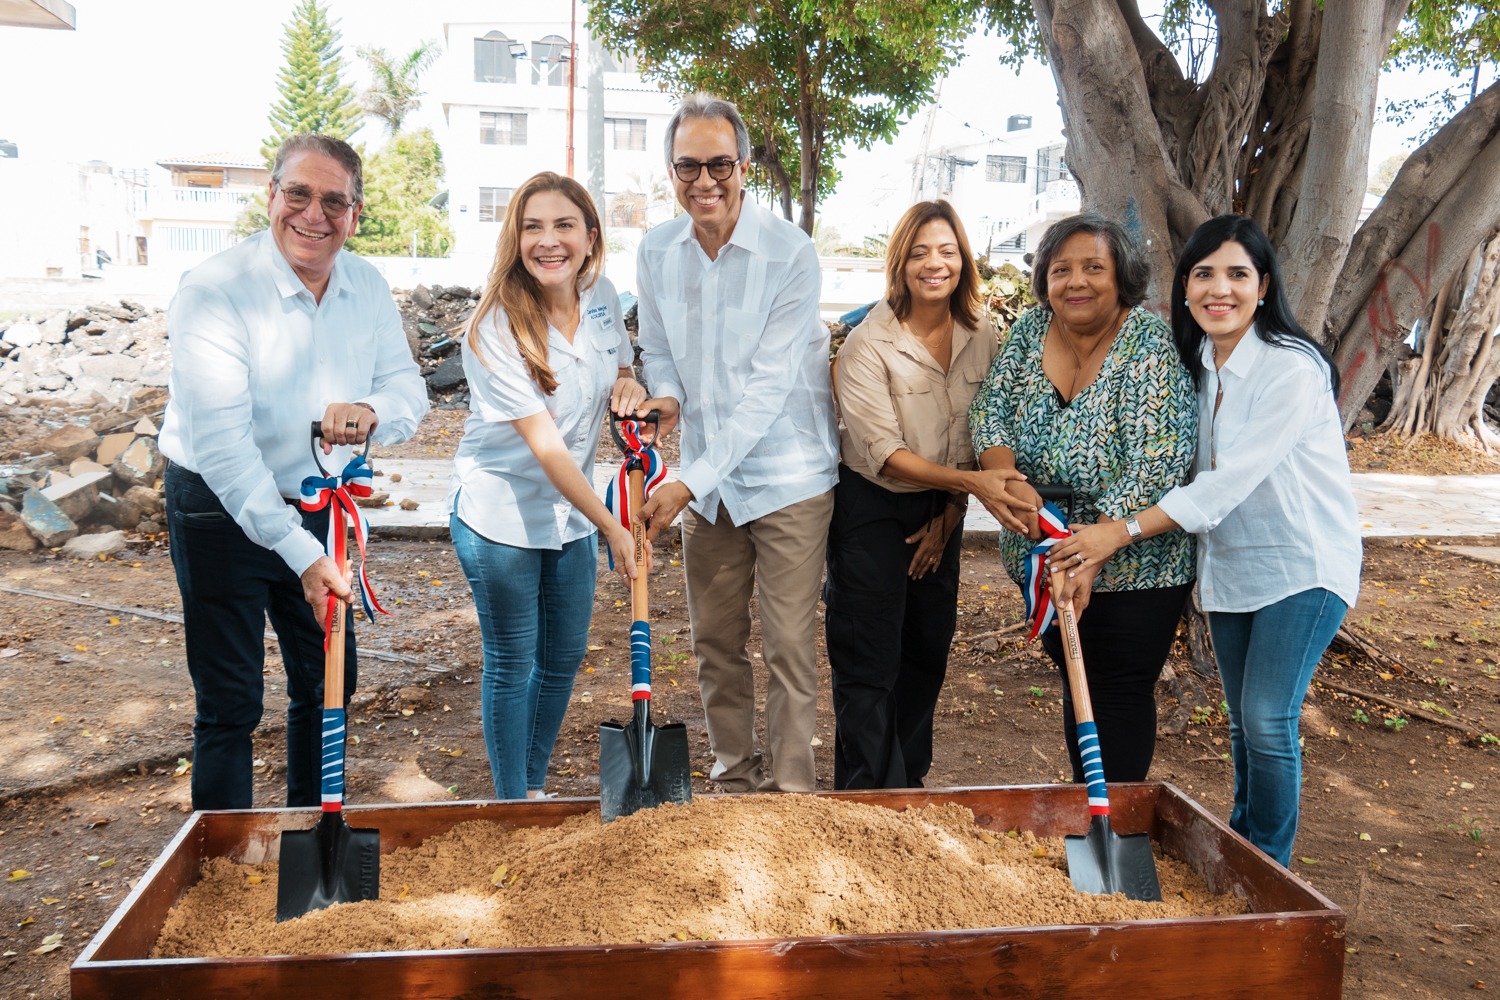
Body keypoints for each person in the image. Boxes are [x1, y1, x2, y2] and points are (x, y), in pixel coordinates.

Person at [1048, 214, 1360, 866]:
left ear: (1265, 286)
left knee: (1270, 721)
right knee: (1246, 726)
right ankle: (1244, 853)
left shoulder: (1292, 368)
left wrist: (1118, 532)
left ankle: (1265, 868)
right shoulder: (1198, 365)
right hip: (1233, 571)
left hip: (1304, 567)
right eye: (1204, 274)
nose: (1220, 289)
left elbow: (1225, 485)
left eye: (1237, 274)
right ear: (1185, 287)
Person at [159, 133, 429, 811]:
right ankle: (222, 866)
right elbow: (223, 448)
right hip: (219, 506)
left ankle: (311, 837)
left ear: (356, 213)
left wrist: (371, 411)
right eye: (299, 195)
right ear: (271, 196)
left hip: (320, 503)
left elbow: (409, 392)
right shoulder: (214, 290)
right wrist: (304, 557)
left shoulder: (366, 285)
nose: (315, 215)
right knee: (230, 700)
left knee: (329, 681)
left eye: (334, 202)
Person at [634, 93, 839, 793]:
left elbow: (769, 388)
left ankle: (789, 794)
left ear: (745, 166)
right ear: (671, 171)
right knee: (715, 641)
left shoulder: (790, 252)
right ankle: (733, 775)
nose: (704, 181)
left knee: (787, 644)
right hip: (706, 486)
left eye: (719, 164)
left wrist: (688, 480)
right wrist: (662, 399)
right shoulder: (657, 250)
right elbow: (657, 352)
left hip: (788, 476)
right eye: (688, 166)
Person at [969, 212, 1197, 786]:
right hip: (1041, 554)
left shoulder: (1149, 343)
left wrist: (1089, 550)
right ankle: (1086, 804)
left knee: (1114, 690)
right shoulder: (1028, 333)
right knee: (1079, 686)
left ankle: (1112, 824)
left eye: (1094, 267)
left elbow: (1159, 459)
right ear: (1043, 277)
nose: (1076, 281)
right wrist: (1009, 482)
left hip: (1133, 564)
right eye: (1061, 268)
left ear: (1122, 277)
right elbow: (991, 415)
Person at [447, 171, 646, 801]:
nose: (548, 241)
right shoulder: (495, 328)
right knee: (514, 663)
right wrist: (612, 524)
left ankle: (531, 785)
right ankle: (511, 804)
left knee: (562, 659)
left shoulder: (604, 295)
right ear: (516, 237)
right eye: (532, 226)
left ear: (590, 237)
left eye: (563, 226)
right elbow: (548, 447)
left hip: (573, 517)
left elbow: (619, 370)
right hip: (501, 512)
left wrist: (631, 389)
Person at [825, 199, 1027, 789]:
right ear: (900, 263)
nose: (933, 264)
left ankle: (908, 790)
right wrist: (970, 489)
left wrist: (950, 515)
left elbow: (981, 430)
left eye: (946, 251)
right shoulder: (868, 344)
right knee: (870, 660)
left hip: (944, 508)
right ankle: (865, 797)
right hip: (873, 510)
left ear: (963, 259)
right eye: (918, 253)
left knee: (926, 652)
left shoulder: (981, 334)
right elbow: (885, 453)